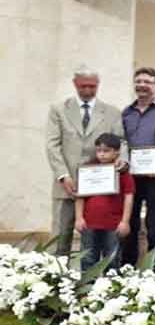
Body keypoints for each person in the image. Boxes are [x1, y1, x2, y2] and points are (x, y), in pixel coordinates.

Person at [46, 66, 126, 256]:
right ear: (75, 84)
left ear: (98, 84)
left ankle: (97, 274)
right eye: (83, 86)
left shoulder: (112, 112)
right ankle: (55, 272)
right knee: (60, 238)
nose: (88, 90)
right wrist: (63, 176)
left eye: (92, 86)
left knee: (98, 242)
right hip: (67, 185)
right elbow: (52, 145)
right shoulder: (58, 110)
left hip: (101, 189)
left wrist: (123, 160)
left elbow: (121, 141)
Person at [121, 67, 155, 268]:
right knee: (131, 222)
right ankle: (128, 267)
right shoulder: (127, 112)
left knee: (154, 225)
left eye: (147, 82)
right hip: (132, 177)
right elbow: (123, 142)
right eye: (138, 81)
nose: (142, 85)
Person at [74, 133, 135, 270]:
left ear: (117, 152)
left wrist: (125, 221)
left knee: (112, 259)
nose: (101, 154)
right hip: (89, 223)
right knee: (88, 258)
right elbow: (80, 196)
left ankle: (110, 283)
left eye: (106, 151)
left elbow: (129, 197)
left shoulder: (122, 173)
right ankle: (87, 283)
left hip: (113, 224)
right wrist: (78, 218)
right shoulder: (88, 170)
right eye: (99, 150)